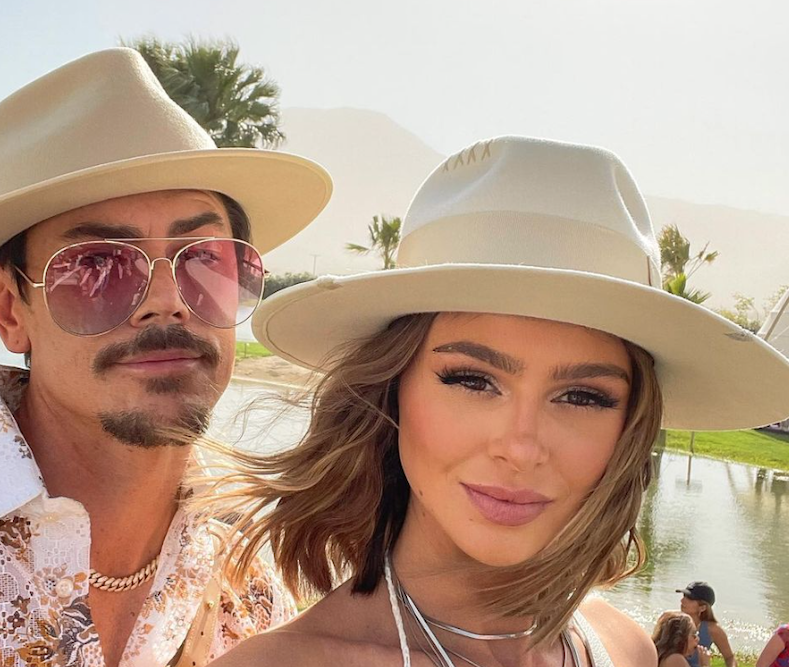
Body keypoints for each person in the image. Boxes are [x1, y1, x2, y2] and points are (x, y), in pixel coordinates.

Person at [193, 136, 789, 667]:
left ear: (630, 427)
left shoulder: (623, 647)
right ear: (392, 387)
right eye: (473, 380)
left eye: (582, 395)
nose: (521, 446)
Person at [0, 48, 331, 666]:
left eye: (206, 259)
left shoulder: (261, 590)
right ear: (10, 308)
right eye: (96, 265)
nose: (166, 301)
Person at [677, 581, 737, 667]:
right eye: (684, 596)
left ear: (703, 607)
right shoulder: (673, 622)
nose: (682, 600)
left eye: (690, 598)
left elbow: (729, 657)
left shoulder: (712, 629)